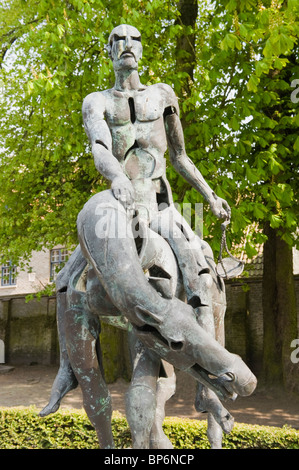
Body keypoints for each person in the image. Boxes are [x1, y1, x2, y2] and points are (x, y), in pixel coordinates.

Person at [40, 25, 256, 448]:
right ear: (108, 50)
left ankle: (207, 391)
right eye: (117, 40)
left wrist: (210, 196)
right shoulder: (96, 102)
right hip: (119, 213)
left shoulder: (163, 95)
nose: (126, 45)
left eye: (133, 39)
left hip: (163, 211)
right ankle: (73, 367)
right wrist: (116, 176)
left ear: (141, 47)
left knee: (203, 276)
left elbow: (179, 156)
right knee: (67, 286)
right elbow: (101, 146)